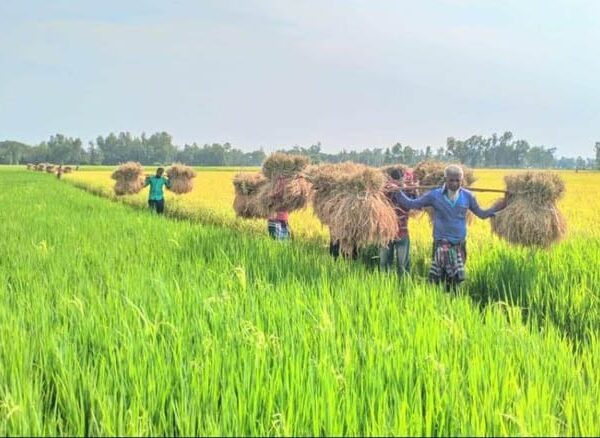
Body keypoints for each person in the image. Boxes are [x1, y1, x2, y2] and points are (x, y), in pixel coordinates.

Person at [392, 164, 506, 291]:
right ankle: (439, 303)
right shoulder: (435, 195)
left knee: (456, 281)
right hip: (441, 243)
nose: (455, 183)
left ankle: (454, 303)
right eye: (451, 180)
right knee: (439, 280)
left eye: (458, 180)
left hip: (459, 244)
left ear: (461, 180)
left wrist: (500, 206)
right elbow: (411, 204)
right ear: (445, 179)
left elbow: (482, 214)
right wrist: (398, 191)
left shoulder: (468, 196)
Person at [380, 168, 415, 277]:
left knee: (402, 265)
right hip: (387, 234)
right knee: (386, 263)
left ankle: (403, 287)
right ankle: (385, 285)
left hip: (401, 233)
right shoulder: (384, 192)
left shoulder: (407, 191)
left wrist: (407, 188)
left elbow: (415, 203)